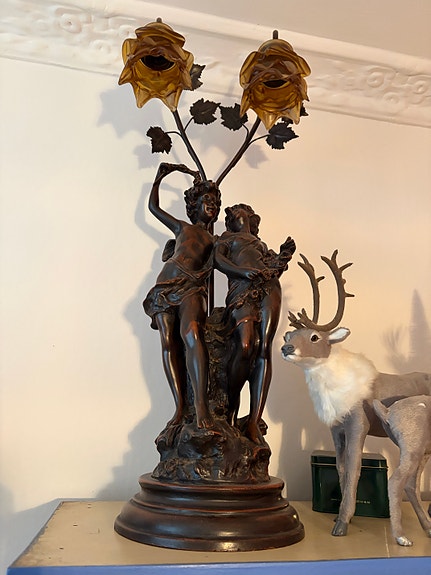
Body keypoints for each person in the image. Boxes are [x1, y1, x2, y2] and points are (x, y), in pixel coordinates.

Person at [143, 163, 221, 429]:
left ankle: (201, 405)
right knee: (168, 342)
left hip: (192, 287)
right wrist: (158, 179)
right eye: (207, 200)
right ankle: (179, 407)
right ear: (194, 206)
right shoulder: (182, 228)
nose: (212, 205)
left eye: (215, 203)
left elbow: (227, 263)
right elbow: (153, 208)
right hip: (166, 284)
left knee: (192, 334)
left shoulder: (217, 241)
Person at [215, 204, 295, 443]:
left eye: (238, 212)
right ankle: (231, 410)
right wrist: (242, 272)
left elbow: (273, 270)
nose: (232, 215)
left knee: (264, 348)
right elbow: (218, 261)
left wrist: (284, 255)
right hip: (241, 289)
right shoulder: (225, 238)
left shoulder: (260, 244)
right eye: (231, 215)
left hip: (269, 289)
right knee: (245, 346)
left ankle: (253, 421)